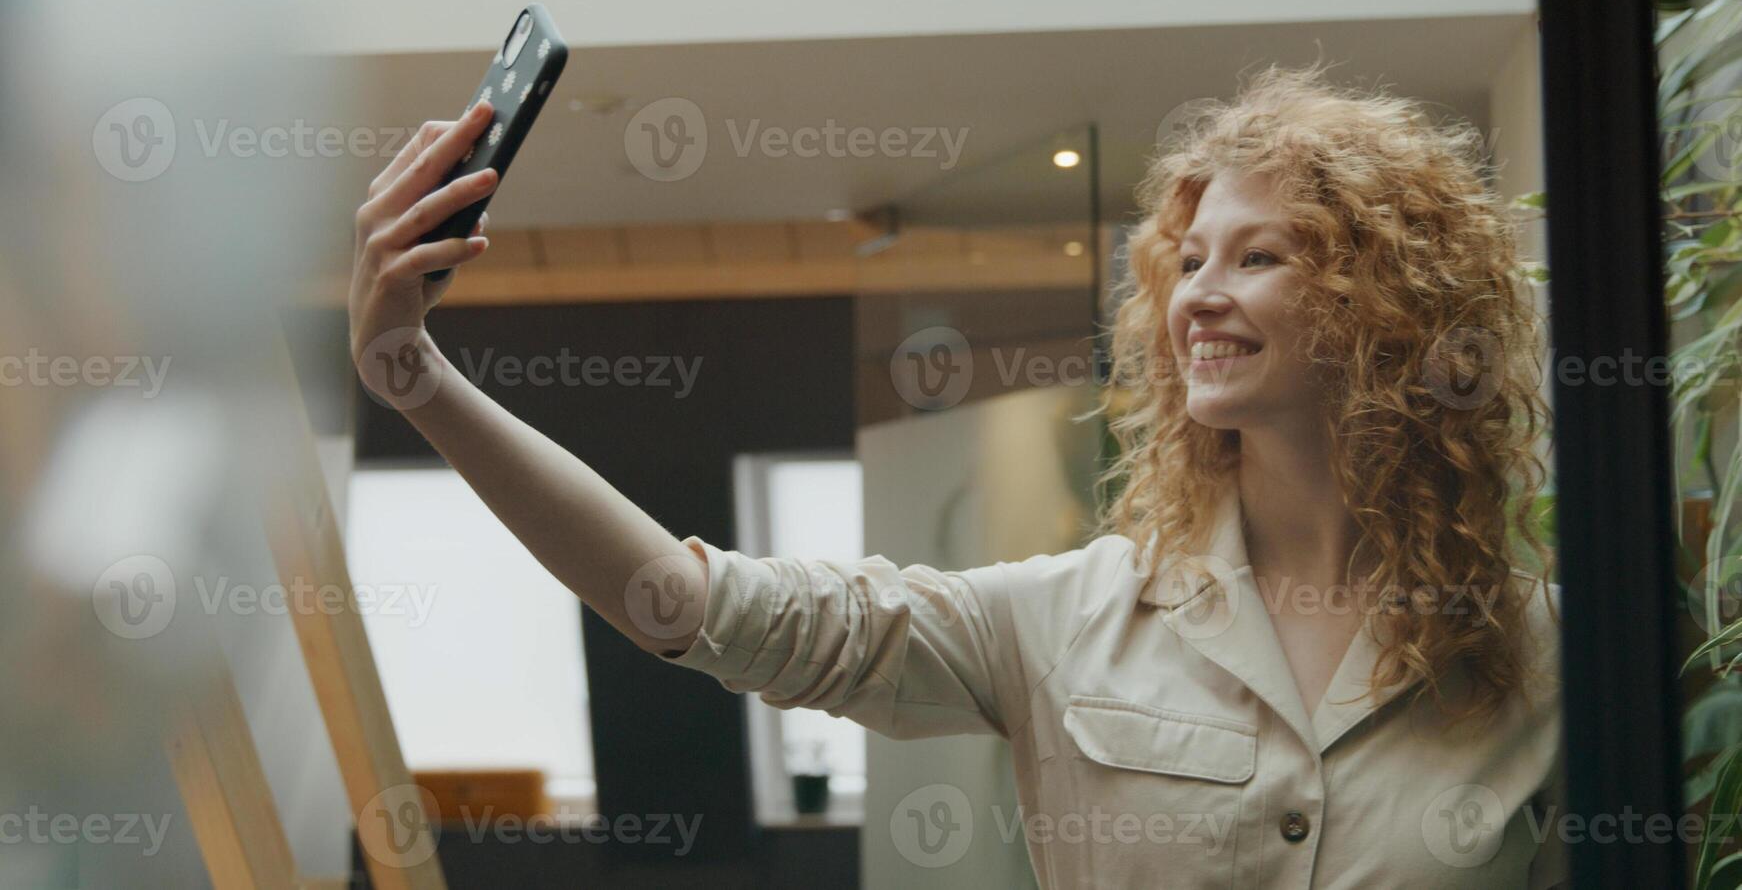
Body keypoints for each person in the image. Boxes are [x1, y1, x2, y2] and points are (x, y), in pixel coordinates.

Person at [348, 64, 1564, 888]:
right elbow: (694, 603)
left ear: (1384, 307)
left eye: (1259, 256)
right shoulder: (1069, 619)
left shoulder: (1541, 650)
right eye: (1186, 257)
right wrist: (416, 378)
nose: (1197, 290)